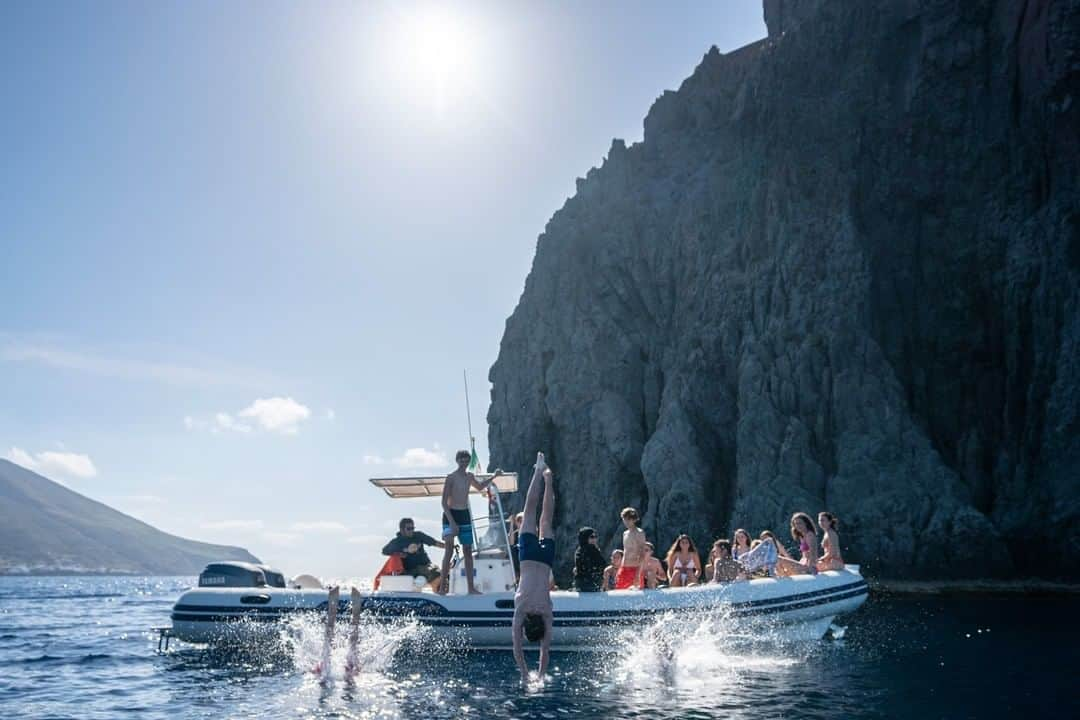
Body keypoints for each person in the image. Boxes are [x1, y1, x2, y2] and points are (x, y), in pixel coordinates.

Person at [513, 452, 556, 683]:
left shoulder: (547, 612)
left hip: (545, 560)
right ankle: (538, 471)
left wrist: (539, 675)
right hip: (528, 558)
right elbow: (517, 649)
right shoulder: (520, 609)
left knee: (546, 519)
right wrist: (523, 674)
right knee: (530, 511)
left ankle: (548, 479)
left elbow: (545, 651)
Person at [439, 451, 501, 594]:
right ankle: (442, 587)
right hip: (450, 514)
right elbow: (443, 503)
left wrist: (494, 476)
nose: (464, 462)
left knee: (467, 550)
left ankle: (471, 588)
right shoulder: (451, 478)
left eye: (466, 460)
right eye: (461, 460)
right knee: (448, 549)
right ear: (457, 460)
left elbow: (480, 487)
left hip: (464, 514)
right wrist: (452, 522)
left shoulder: (469, 476)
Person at [381, 517, 446, 591]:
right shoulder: (396, 542)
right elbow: (384, 551)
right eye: (408, 528)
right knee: (412, 585)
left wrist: (448, 546)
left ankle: (440, 595)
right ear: (402, 530)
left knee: (438, 576)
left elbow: (435, 543)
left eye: (412, 528)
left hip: (425, 566)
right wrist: (399, 554)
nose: (411, 530)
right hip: (409, 570)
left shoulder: (419, 535)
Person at [614, 507, 646, 589]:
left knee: (636, 596)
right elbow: (626, 551)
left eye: (629, 519)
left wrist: (638, 574)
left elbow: (642, 553)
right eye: (625, 519)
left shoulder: (639, 533)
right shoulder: (625, 534)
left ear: (634, 519)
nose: (626, 522)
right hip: (624, 568)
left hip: (634, 568)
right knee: (619, 592)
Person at [573, 527, 606, 592]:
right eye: (592, 537)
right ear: (585, 537)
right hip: (591, 584)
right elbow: (602, 564)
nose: (595, 539)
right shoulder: (592, 549)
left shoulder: (579, 550)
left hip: (580, 584)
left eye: (595, 536)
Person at [508, 512, 524, 580]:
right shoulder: (515, 533)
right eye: (518, 521)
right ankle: (517, 575)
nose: (520, 523)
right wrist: (511, 523)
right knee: (512, 549)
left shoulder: (531, 531)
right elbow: (511, 543)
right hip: (518, 558)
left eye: (522, 521)